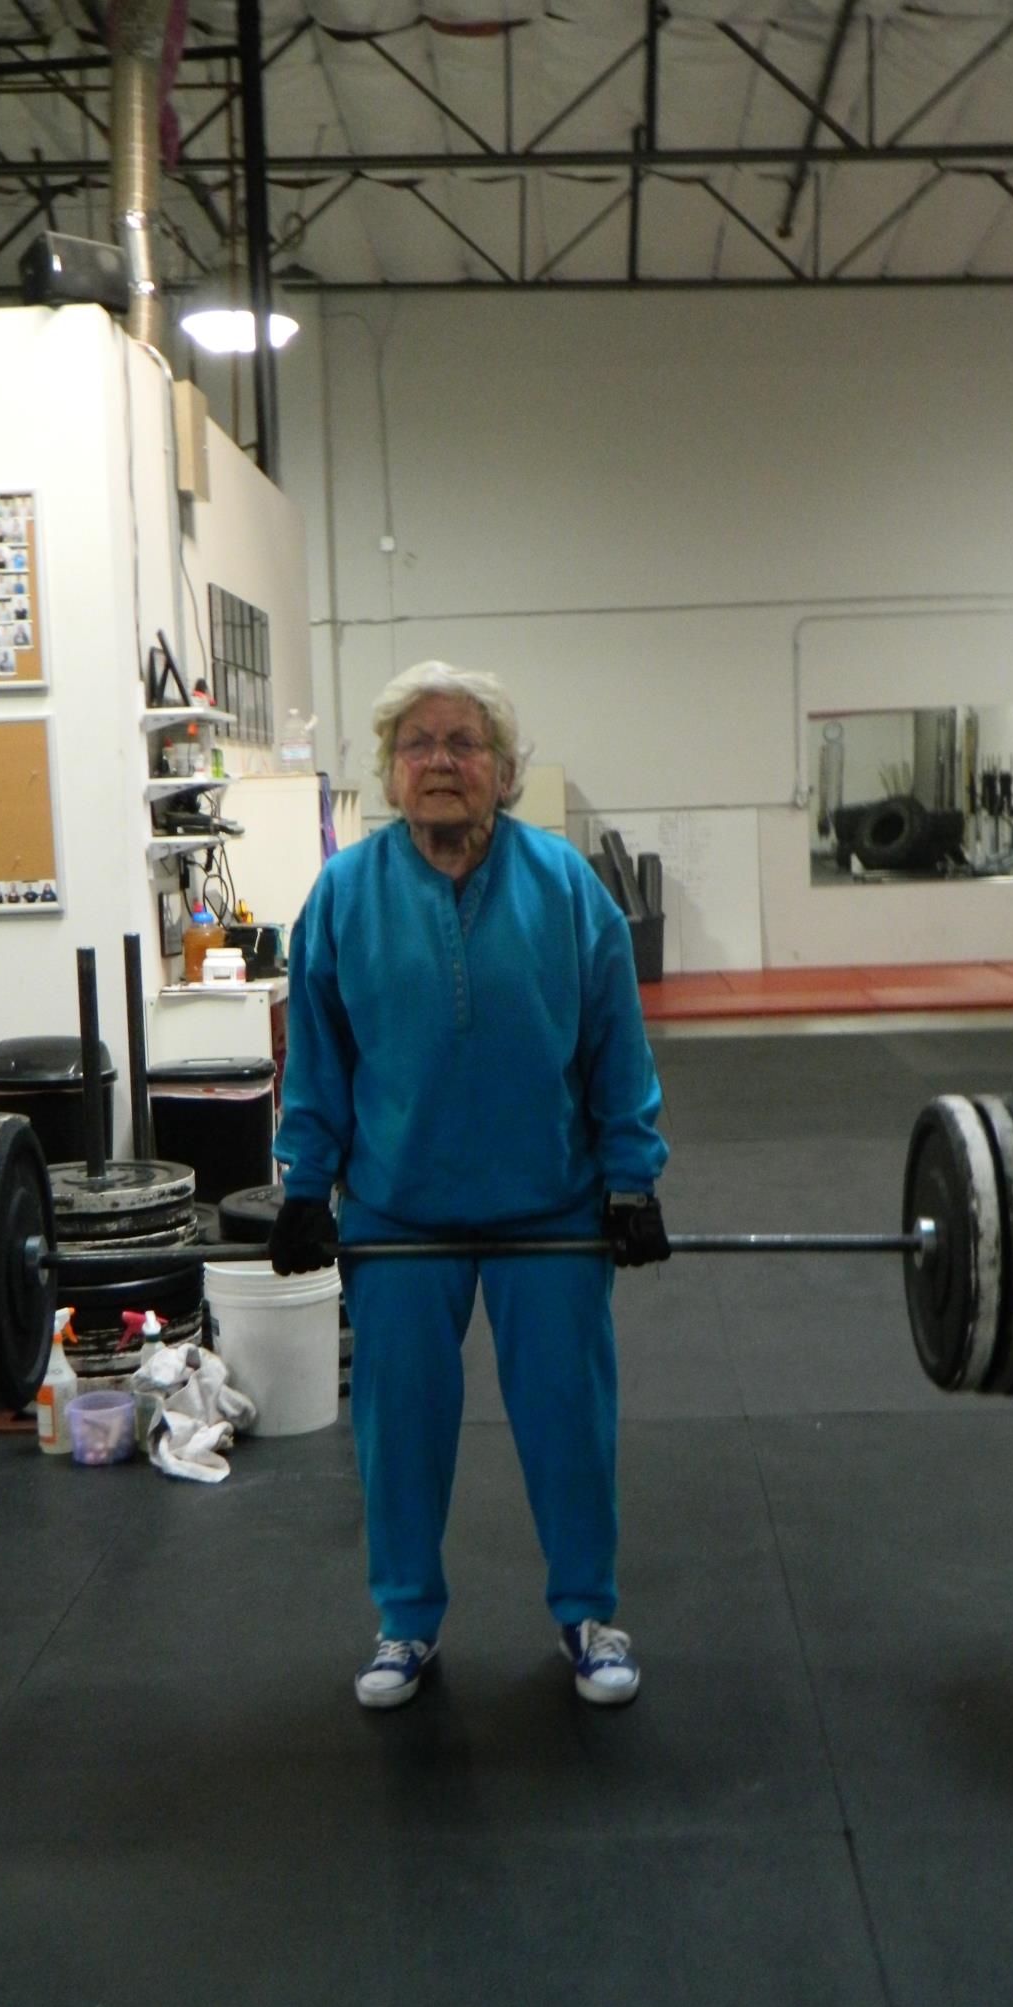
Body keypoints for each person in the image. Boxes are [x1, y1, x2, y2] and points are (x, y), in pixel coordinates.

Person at [268, 660, 670, 1711]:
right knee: (397, 1424)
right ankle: (405, 1623)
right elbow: (317, 1055)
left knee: (569, 1418)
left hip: (552, 1206)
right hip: (400, 1213)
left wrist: (631, 1178)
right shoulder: (345, 894)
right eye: (419, 745)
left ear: (504, 769)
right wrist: (306, 1183)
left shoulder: (565, 885)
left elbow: (615, 1046)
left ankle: (587, 1611)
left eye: (465, 743)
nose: (442, 761)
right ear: (390, 775)